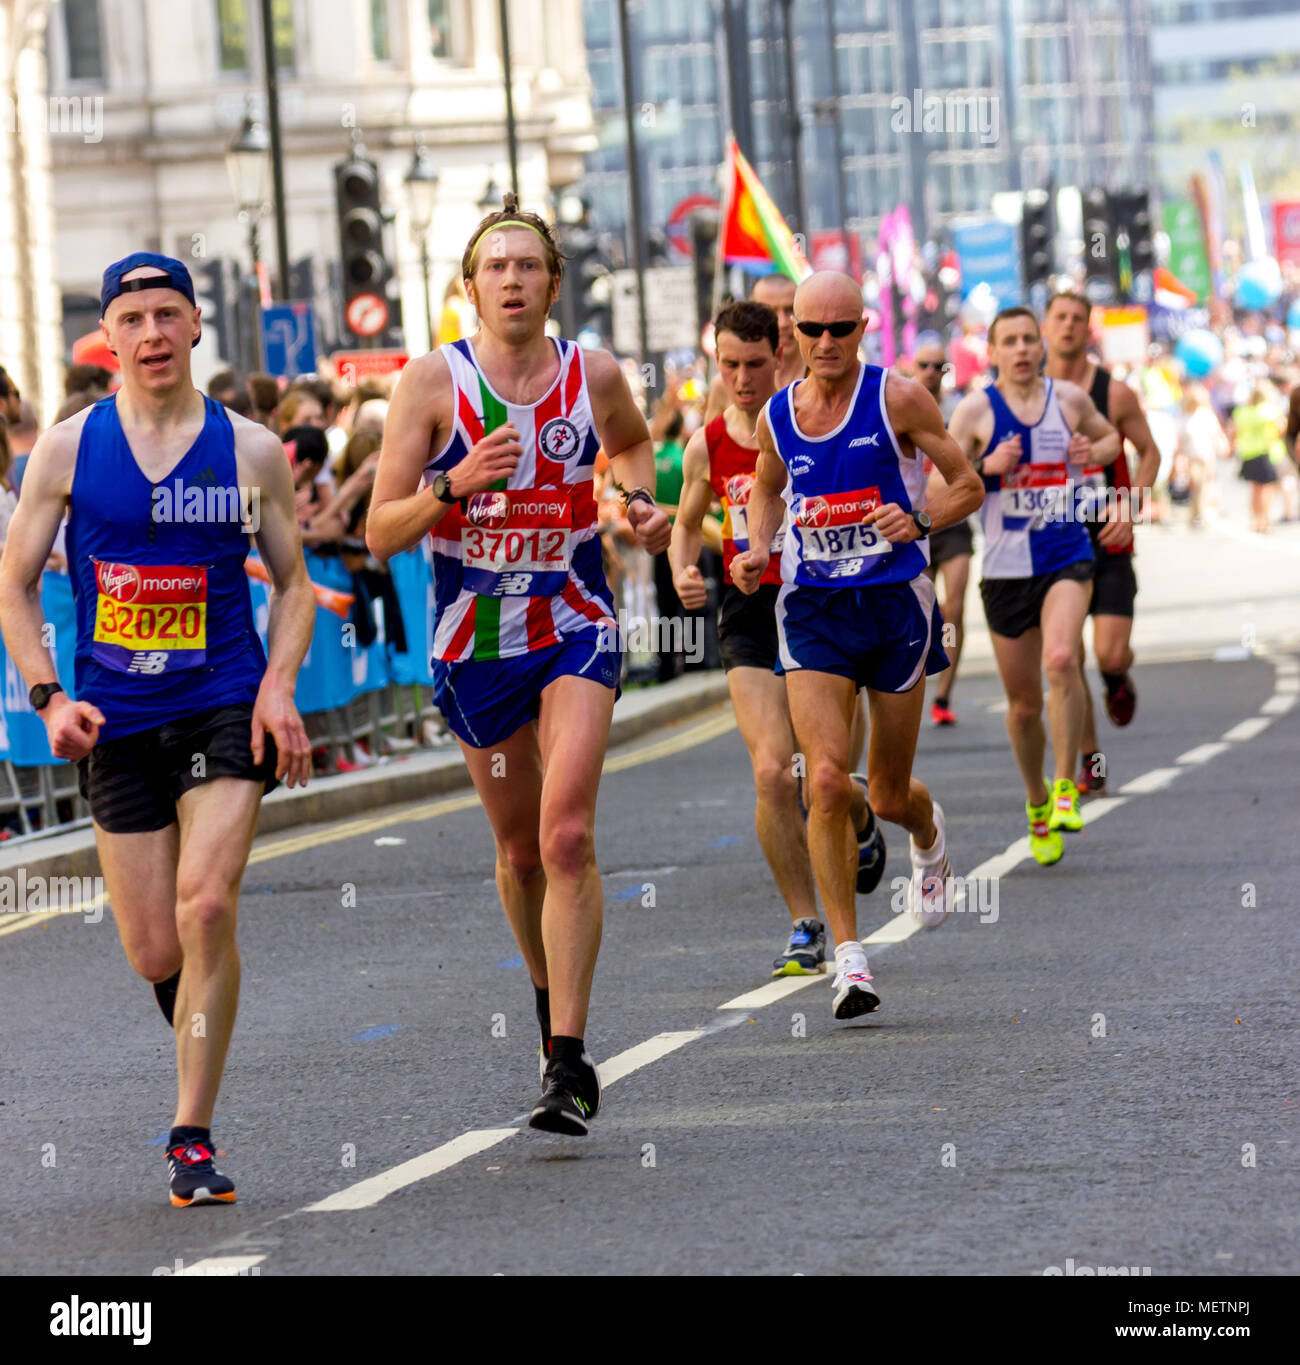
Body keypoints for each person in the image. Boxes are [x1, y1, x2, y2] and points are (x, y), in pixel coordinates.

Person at [0, 252, 315, 1206]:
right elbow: (12, 586)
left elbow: (295, 582)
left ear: (194, 327)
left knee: (207, 904)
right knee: (154, 950)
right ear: (109, 337)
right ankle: (200, 1024)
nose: (150, 334)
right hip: (117, 715)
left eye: (167, 315)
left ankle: (191, 1132)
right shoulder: (64, 450)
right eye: (131, 319)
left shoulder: (251, 450)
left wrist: (279, 687)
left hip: (222, 695)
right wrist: (51, 695)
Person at [367, 196, 670, 1136]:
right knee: (516, 849)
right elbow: (379, 533)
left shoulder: (595, 372)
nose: (511, 280)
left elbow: (630, 444)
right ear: (469, 288)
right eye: (494, 267)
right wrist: (451, 484)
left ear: (551, 283)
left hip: (575, 622)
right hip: (473, 639)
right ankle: (548, 1012)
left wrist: (636, 498)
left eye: (528, 265)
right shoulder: (429, 385)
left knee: (566, 835)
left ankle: (571, 1062)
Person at [731, 272, 983, 1019]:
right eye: (813, 330)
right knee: (828, 780)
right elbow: (766, 488)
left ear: (864, 327)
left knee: (892, 790)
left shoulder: (898, 397)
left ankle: (929, 832)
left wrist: (920, 515)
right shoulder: (779, 414)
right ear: (793, 337)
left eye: (842, 328)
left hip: (896, 604)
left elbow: (965, 483)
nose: (828, 342)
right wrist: (757, 548)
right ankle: (850, 958)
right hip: (812, 607)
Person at [670, 300, 888, 979]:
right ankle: (805, 922)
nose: (741, 378)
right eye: (729, 365)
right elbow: (687, 519)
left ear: (783, 354)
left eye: (755, 364)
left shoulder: (810, 422)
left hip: (818, 604)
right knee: (772, 772)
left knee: (822, 777)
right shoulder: (707, 440)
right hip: (747, 611)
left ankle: (861, 809)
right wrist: (683, 567)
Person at [948, 307, 1119, 866]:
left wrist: (1093, 454)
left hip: (1065, 553)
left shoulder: (1068, 399)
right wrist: (985, 464)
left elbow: (1112, 440)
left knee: (1063, 658)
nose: (1021, 349)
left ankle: (1067, 786)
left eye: (1028, 339)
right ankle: (1037, 800)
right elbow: (938, 481)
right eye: (1009, 342)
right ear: (993, 352)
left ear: (1040, 345)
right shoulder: (975, 409)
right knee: (1023, 707)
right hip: (1004, 571)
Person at [1042, 290, 1160, 793]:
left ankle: (1118, 678)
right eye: (1059, 317)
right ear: (1046, 326)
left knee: (1109, 654)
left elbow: (1149, 452)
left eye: (1077, 319)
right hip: (1052, 537)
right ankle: (1091, 759)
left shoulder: (1113, 393)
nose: (1068, 326)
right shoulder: (1024, 392)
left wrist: (1130, 509)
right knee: (1067, 656)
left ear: (1088, 328)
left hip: (1106, 533)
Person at [912, 331, 972, 725]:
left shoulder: (960, 410)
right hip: (916, 525)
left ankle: (944, 695)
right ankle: (914, 685)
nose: (932, 373)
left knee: (956, 607)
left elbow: (974, 466)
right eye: (925, 365)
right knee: (921, 607)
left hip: (954, 522)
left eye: (940, 366)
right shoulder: (897, 407)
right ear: (910, 366)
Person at [704, 272, 806, 421]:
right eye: (770, 312)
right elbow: (711, 441)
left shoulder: (819, 378)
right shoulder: (724, 386)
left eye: (790, 310)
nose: (782, 323)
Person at [1228, 385, 1284, 533]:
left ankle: (1256, 520)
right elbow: (1281, 428)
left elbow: (1234, 430)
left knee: (1255, 489)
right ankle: (1264, 521)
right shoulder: (1268, 411)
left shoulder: (1242, 412)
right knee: (1267, 489)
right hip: (1265, 451)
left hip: (1247, 452)